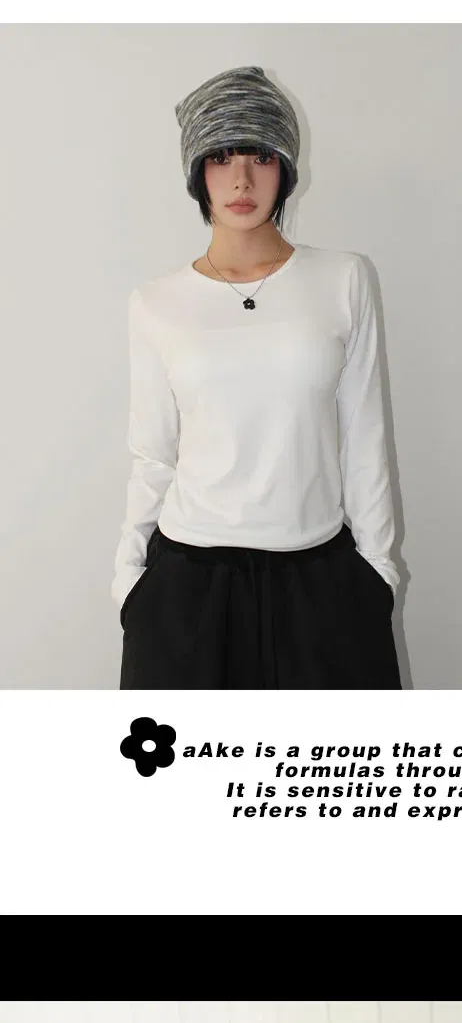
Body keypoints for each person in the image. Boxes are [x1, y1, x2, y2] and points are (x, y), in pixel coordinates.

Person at [114, 59, 398, 691]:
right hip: (186, 587)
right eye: (221, 157)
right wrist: (129, 584)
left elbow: (364, 438)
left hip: (321, 576)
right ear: (197, 172)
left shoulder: (343, 279)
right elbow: (152, 454)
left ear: (286, 168)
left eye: (261, 157)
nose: (241, 178)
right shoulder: (156, 303)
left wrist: (377, 573)